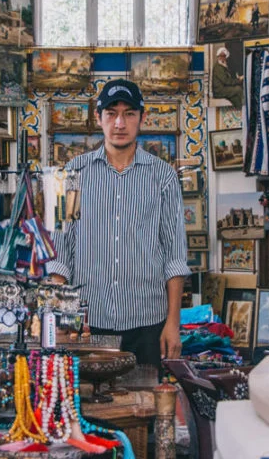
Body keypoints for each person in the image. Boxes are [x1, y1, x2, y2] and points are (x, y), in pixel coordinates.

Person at [48, 78, 190, 368]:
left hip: (148, 323)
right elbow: (59, 253)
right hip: (86, 323)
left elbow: (175, 257)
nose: (120, 123)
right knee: (87, 407)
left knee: (145, 406)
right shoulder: (70, 173)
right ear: (98, 117)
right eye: (111, 114)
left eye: (129, 114)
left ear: (142, 118)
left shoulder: (163, 177)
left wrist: (173, 323)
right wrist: (60, 316)